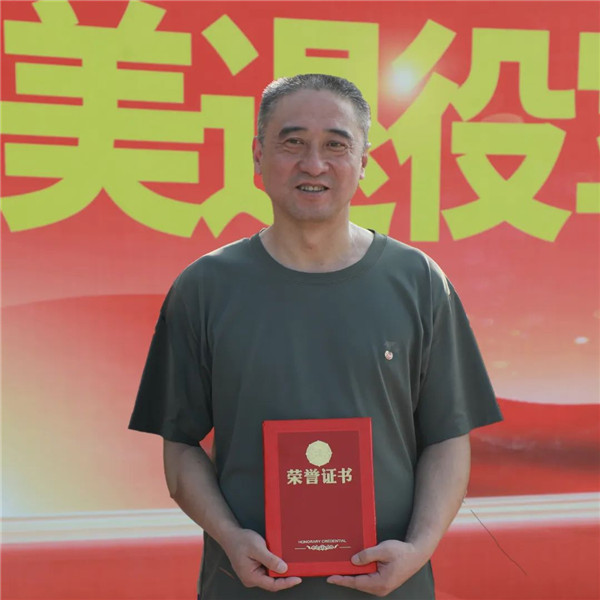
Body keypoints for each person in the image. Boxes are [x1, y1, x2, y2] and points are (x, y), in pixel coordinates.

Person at [129, 73, 502, 599]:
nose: (313, 164)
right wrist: (231, 538)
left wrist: (418, 548)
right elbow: (181, 446)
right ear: (258, 155)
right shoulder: (205, 288)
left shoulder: (418, 282)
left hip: (390, 587)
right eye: (293, 142)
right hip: (246, 588)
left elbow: (447, 437)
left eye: (335, 145)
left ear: (364, 161)